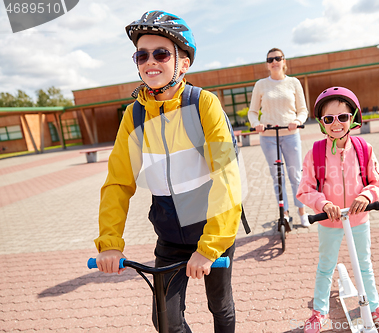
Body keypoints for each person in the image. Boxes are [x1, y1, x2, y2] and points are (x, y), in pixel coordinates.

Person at [94, 11, 242, 333]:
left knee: (220, 305)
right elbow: (118, 182)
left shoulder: (203, 104)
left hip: (211, 229)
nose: (151, 61)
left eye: (161, 53)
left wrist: (210, 246)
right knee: (165, 320)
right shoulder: (133, 116)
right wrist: (110, 243)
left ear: (183, 63)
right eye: (142, 55)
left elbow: (227, 175)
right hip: (170, 235)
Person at [296, 87, 379, 333]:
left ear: (352, 118)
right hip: (329, 221)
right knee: (326, 266)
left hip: (359, 219)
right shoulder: (316, 153)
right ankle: (318, 312)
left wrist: (367, 195)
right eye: (329, 119)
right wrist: (323, 204)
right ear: (321, 123)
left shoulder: (364, 149)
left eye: (343, 117)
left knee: (364, 265)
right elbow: (305, 189)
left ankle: (375, 308)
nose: (336, 124)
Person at [248, 47, 310, 228]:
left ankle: (302, 212)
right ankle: (284, 214)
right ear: (267, 65)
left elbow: (303, 110)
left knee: (295, 175)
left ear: (284, 62)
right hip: (268, 136)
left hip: (290, 135)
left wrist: (297, 121)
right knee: (277, 176)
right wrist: (256, 124)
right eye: (270, 60)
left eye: (277, 58)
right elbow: (252, 112)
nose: (274, 62)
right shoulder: (260, 85)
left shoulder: (294, 83)